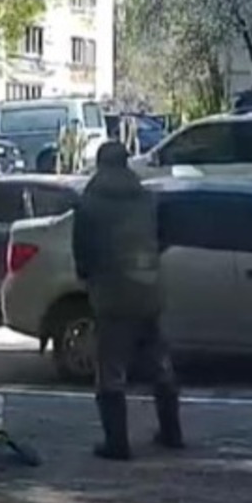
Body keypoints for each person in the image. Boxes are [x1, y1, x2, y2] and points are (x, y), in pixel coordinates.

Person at [71, 141, 182, 461]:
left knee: (111, 369)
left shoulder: (90, 202)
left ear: (100, 163)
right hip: (149, 289)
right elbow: (164, 235)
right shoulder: (146, 198)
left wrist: (88, 276)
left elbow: (82, 251)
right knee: (160, 363)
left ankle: (117, 443)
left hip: (112, 293)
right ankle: (172, 433)